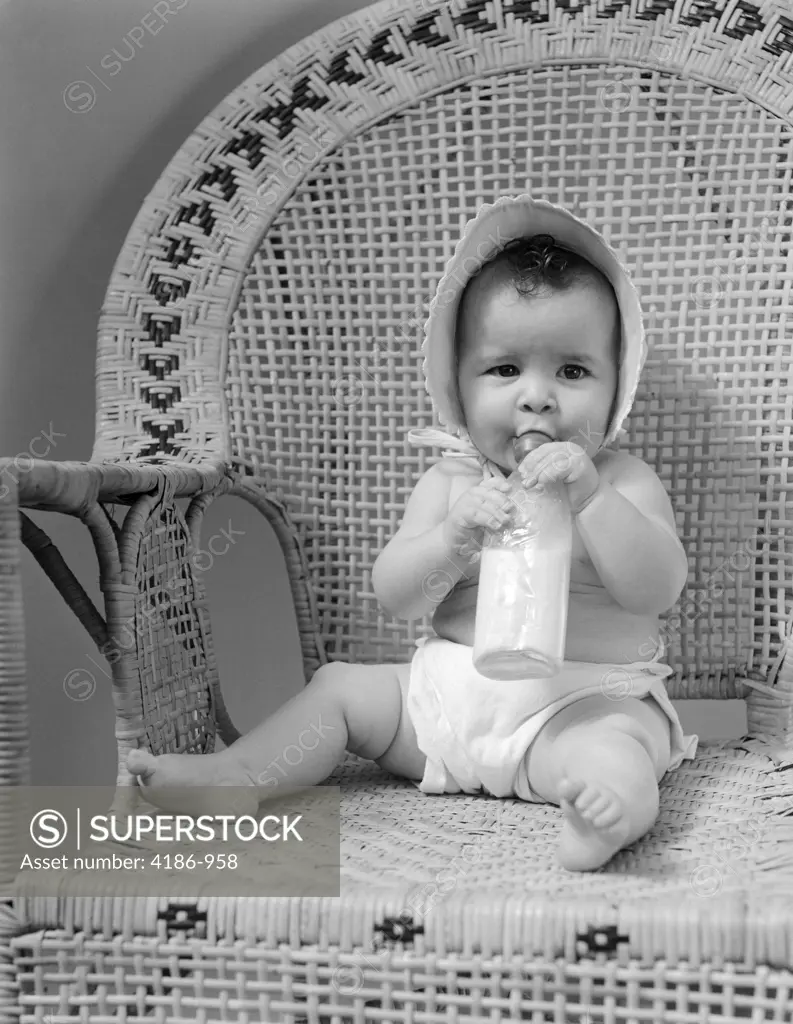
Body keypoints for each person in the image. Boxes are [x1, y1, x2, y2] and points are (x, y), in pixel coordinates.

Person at [127, 194, 698, 871]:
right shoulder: (452, 483)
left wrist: (590, 497)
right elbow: (397, 594)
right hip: (445, 706)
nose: (537, 396)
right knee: (342, 689)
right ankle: (239, 776)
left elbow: (654, 588)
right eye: (504, 369)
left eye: (571, 371)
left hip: (580, 705)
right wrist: (454, 538)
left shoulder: (621, 479)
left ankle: (603, 812)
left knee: (616, 749)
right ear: (457, 386)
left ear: (616, 385)